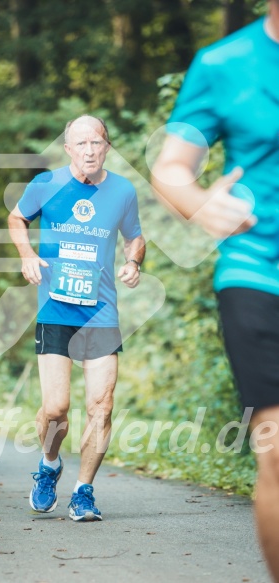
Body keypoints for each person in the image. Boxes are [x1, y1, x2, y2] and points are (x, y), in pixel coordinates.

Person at [152, 2, 279, 581]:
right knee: (276, 450)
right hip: (257, 273)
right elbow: (172, 166)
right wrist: (201, 202)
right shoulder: (223, 63)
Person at [8, 115, 145, 521]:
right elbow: (17, 219)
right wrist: (27, 255)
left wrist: (133, 261)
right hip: (56, 309)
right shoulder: (45, 185)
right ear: (68, 149)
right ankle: (50, 464)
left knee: (101, 407)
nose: (89, 150)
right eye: (81, 143)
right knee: (55, 409)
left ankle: (84, 491)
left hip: (101, 314)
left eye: (97, 142)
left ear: (107, 147)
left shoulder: (122, 190)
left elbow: (134, 234)